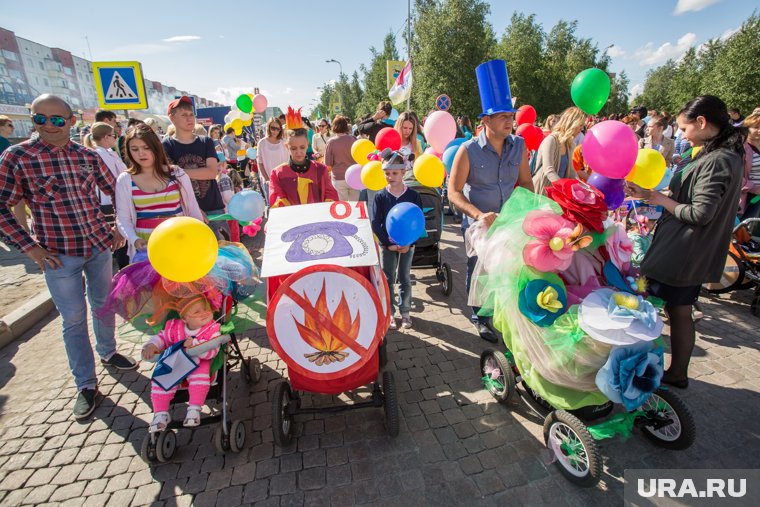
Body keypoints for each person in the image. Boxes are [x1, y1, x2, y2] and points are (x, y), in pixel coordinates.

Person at [0, 94, 134, 420]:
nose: (48, 125)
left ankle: (108, 352)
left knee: (103, 304)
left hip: (98, 247)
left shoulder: (87, 156)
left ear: (71, 121)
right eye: (39, 119)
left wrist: (116, 226)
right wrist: (29, 246)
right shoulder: (17, 157)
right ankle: (86, 384)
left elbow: (117, 190)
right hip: (59, 257)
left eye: (57, 119)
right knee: (73, 318)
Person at [626, 95, 744, 388]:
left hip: (682, 252)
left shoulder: (718, 160)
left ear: (702, 123)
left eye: (684, 128)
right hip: (687, 250)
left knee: (640, 291)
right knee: (678, 310)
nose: (681, 135)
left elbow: (700, 213)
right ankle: (676, 373)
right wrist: (655, 194)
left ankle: (650, 367)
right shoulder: (722, 154)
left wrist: (657, 198)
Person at [448, 60, 534, 342]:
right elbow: (454, 192)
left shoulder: (519, 146)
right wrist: (478, 214)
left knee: (510, 269)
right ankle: (481, 317)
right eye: (501, 116)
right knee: (480, 271)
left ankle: (505, 312)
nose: (510, 120)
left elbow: (526, 183)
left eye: (511, 115)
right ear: (485, 120)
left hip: (510, 222)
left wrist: (531, 211)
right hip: (479, 226)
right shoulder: (467, 150)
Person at [116, 123, 204, 261]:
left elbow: (193, 209)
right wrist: (134, 239)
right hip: (146, 248)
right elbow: (123, 218)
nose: (141, 153)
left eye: (146, 148)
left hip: (180, 241)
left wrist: (200, 238)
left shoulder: (177, 173)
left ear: (156, 148)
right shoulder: (125, 179)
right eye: (134, 149)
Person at [162, 96, 228, 239]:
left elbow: (211, 172)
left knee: (223, 252)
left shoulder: (206, 142)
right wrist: (195, 210)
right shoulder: (166, 145)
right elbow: (169, 178)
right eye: (184, 115)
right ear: (172, 119)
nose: (189, 118)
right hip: (184, 211)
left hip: (213, 208)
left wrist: (178, 171)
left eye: (191, 114)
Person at [371, 149, 423, 330]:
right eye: (387, 173)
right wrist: (387, 243)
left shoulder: (413, 196)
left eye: (394, 173)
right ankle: (390, 313)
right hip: (388, 247)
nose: (390, 177)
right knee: (387, 278)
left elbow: (418, 221)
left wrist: (410, 243)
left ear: (403, 173)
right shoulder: (380, 196)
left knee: (405, 277)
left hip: (408, 245)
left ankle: (406, 312)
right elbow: (376, 223)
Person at [268, 107, 338, 208]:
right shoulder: (278, 173)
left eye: (302, 147)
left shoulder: (320, 170)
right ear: (287, 146)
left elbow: (330, 194)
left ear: (307, 144)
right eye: (293, 148)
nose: (298, 152)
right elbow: (277, 199)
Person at [84, 122, 130, 269]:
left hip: (109, 199)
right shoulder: (101, 154)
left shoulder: (107, 152)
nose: (115, 138)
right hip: (108, 200)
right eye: (113, 135)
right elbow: (114, 178)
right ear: (105, 137)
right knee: (117, 235)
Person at [532, 107, 586, 195]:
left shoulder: (570, 144)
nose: (581, 129)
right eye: (580, 125)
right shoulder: (551, 140)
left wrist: (581, 187)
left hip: (557, 193)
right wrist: (564, 189)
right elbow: (548, 170)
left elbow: (572, 172)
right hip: (543, 191)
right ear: (571, 123)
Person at [324, 115, 358, 201]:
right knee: (355, 206)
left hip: (338, 178)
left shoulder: (331, 142)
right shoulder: (354, 139)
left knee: (342, 207)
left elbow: (328, 164)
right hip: (354, 176)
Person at [256, 118, 289, 202]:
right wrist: (267, 179)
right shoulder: (262, 143)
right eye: (273, 128)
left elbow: (288, 161)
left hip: (283, 180)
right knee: (272, 205)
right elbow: (260, 163)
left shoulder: (283, 142)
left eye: (278, 129)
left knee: (284, 204)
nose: (275, 131)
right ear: (268, 127)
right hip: (269, 181)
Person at [740, 113, 760, 230]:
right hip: (745, 197)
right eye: (756, 127)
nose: (759, 130)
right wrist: (754, 188)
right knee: (740, 228)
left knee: (748, 230)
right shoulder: (742, 148)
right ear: (747, 128)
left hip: (757, 197)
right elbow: (735, 176)